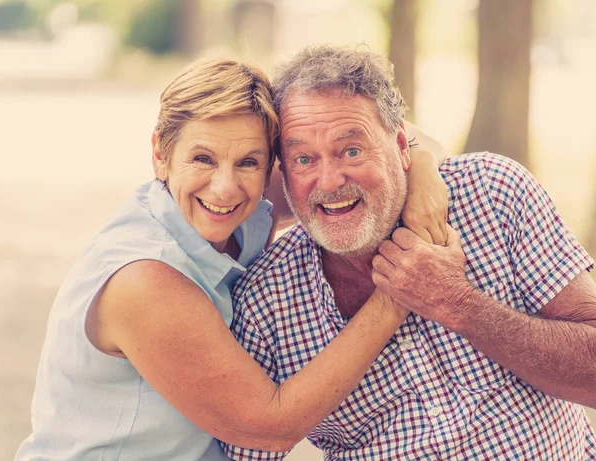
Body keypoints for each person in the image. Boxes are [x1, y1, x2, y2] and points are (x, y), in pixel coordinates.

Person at [15, 59, 449, 460]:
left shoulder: (246, 201)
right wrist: (398, 291)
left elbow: (387, 133)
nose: (224, 189)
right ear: (160, 155)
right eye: (202, 158)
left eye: (247, 162)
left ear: (268, 166)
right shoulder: (143, 279)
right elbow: (270, 427)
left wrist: (424, 172)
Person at [220, 45, 596, 460]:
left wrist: (459, 304)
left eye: (351, 150)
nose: (329, 181)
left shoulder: (494, 194)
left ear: (402, 146)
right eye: (304, 158)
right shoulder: (264, 301)